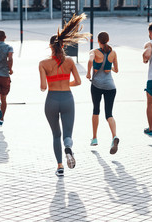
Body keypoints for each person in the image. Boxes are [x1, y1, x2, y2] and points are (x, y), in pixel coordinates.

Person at [39, 13, 90, 177]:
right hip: (67, 98)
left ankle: (60, 166)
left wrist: (52, 81)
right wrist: (65, 83)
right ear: (62, 44)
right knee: (67, 134)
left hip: (52, 99)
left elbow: (42, 87)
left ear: (50, 46)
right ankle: (68, 147)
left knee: (56, 134)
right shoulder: (69, 61)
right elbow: (78, 82)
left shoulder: (43, 64)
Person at [86, 31, 119, 154]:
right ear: (108, 40)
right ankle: (114, 136)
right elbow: (116, 70)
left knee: (96, 110)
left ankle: (94, 138)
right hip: (111, 87)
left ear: (98, 40)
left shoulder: (94, 52)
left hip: (97, 86)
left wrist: (89, 73)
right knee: (109, 114)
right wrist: (108, 65)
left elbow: (90, 61)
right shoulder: (113, 53)